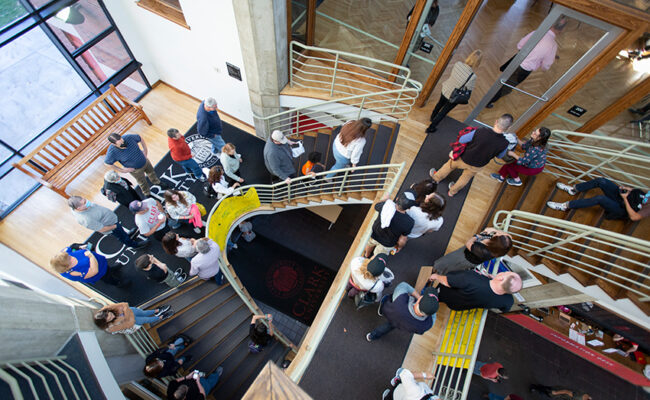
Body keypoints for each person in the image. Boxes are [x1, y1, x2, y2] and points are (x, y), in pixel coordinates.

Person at [487, 19, 566, 108]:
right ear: (561, 30)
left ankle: (500, 89)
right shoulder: (553, 45)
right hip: (524, 69)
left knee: (505, 77)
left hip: (517, 60)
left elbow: (520, 45)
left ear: (552, 24)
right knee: (507, 85)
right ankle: (489, 101)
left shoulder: (537, 33)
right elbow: (546, 65)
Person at [430, 114, 513, 197]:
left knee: (449, 166)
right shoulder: (505, 143)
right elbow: (499, 156)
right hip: (478, 164)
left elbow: (462, 140)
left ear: (496, 121)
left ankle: (436, 179)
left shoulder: (481, 131)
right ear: (508, 128)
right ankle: (452, 191)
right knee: (466, 177)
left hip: (463, 157)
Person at [426, 50, 482, 134]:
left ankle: (432, 117)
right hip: (454, 96)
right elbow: (469, 89)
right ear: (478, 62)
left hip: (446, 88)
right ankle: (431, 128)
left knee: (439, 104)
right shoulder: (472, 76)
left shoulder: (457, 64)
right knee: (443, 112)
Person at [547, 178, 650, 221]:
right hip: (625, 198)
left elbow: (634, 217)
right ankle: (574, 189)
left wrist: (625, 199)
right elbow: (644, 194)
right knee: (602, 181)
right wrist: (629, 190)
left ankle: (565, 206)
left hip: (623, 210)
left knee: (600, 199)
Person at [366, 283, 439, 342]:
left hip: (391, 311)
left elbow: (404, 285)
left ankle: (381, 310)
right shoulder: (428, 325)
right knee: (388, 327)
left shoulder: (400, 299)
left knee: (387, 300)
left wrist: (418, 296)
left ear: (419, 301)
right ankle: (372, 336)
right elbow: (433, 315)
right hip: (401, 324)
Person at [68, 196, 147, 249]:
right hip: (111, 227)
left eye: (85, 200)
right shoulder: (85, 219)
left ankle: (127, 235)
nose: (87, 202)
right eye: (84, 203)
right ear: (79, 208)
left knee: (122, 232)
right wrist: (114, 227)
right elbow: (101, 229)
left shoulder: (83, 207)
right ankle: (133, 245)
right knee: (122, 237)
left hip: (112, 221)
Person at [104, 133, 168, 197]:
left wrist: (145, 150)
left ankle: (156, 182)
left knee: (152, 173)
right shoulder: (112, 152)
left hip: (145, 161)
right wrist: (122, 170)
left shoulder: (129, 137)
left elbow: (140, 137)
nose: (123, 143)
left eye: (122, 140)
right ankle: (147, 193)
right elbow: (107, 163)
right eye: (120, 143)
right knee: (142, 182)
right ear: (114, 144)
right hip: (135, 170)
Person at [430, 270, 522, 312]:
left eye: (506, 272)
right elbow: (505, 309)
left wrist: (436, 276)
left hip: (447, 293)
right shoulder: (508, 301)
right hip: (458, 306)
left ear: (501, 278)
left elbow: (447, 282)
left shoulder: (471, 278)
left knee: (434, 293)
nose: (503, 272)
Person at [433, 228, 512, 274]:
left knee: (446, 263)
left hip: (464, 259)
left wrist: (476, 236)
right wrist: (493, 229)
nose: (496, 233)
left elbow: (468, 244)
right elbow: (509, 236)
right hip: (469, 252)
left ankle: (436, 271)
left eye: (496, 235)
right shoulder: (502, 248)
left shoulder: (484, 252)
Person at [364, 191, 416, 257]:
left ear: (397, 199)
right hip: (388, 243)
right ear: (409, 208)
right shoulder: (409, 222)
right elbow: (402, 239)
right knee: (378, 255)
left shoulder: (385, 206)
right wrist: (399, 247)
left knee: (370, 244)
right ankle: (370, 261)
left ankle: (366, 255)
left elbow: (376, 206)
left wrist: (385, 199)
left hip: (375, 233)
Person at [50, 244, 130, 287]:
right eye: (70, 259)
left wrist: (80, 246)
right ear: (67, 267)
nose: (71, 256)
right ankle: (117, 283)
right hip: (100, 273)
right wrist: (91, 257)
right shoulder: (72, 273)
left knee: (108, 269)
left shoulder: (65, 255)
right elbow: (94, 271)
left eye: (69, 256)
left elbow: (72, 247)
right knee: (107, 278)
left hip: (101, 263)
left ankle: (111, 269)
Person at [94, 303, 173, 334]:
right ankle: (161, 317)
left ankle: (157, 310)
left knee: (143, 313)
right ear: (106, 322)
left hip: (129, 314)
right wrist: (125, 313)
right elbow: (131, 323)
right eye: (110, 318)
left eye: (111, 314)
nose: (113, 316)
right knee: (146, 319)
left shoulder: (106, 309)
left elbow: (124, 304)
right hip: (133, 321)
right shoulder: (111, 328)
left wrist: (125, 316)